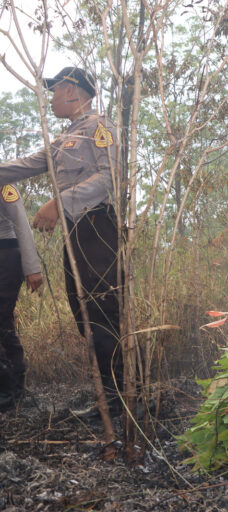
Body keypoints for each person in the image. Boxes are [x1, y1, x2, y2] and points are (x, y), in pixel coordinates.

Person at [0, 67, 122, 413]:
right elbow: (25, 165)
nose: (51, 99)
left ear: (71, 91)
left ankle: (125, 399)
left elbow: (111, 177)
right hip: (75, 232)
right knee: (85, 314)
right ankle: (109, 398)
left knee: (103, 312)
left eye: (54, 91)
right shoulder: (64, 138)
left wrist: (60, 201)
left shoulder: (99, 128)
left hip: (97, 227)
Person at [0, 184, 43, 411]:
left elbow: (21, 222)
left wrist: (32, 267)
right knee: (3, 324)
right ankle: (11, 389)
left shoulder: (4, 179)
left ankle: (9, 391)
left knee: (1, 321)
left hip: (5, 254)